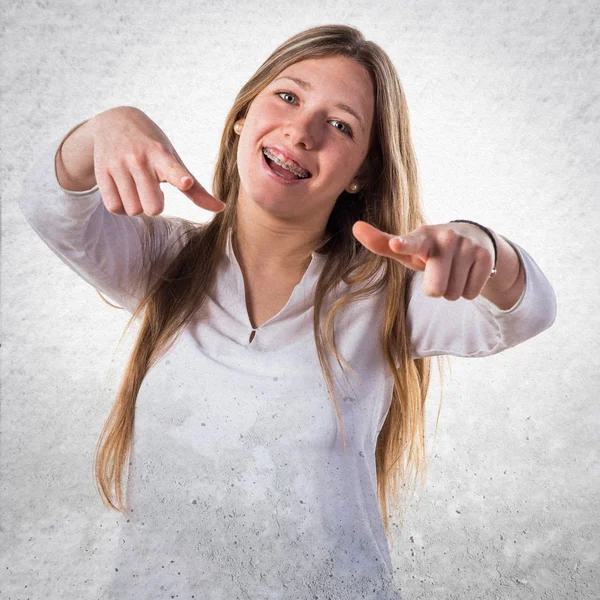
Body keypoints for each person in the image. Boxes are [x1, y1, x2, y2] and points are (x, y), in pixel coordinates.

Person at [18, 24, 556, 600]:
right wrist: (105, 126)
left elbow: (527, 313)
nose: (301, 131)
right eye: (289, 97)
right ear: (242, 116)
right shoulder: (163, 260)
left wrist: (483, 245)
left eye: (341, 124)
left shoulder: (385, 294)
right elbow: (50, 205)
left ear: (362, 173)